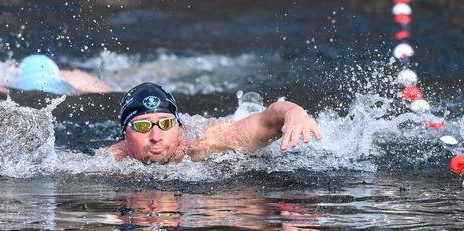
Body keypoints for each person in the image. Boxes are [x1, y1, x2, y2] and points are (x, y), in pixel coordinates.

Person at [107, 82, 322, 164]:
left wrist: (295, 113)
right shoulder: (111, 161)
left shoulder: (204, 141)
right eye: (143, 126)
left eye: (165, 124)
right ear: (125, 132)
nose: (155, 137)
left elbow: (268, 120)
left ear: (178, 125)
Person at [0, 54, 113, 94]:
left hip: (23, 87)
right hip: (62, 87)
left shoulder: (14, 80)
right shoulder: (70, 78)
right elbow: (108, 91)